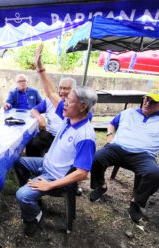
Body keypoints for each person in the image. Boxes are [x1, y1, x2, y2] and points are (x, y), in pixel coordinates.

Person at [14, 44, 98, 236]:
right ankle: (32, 195)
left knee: (21, 195)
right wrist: (40, 68)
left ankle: (33, 215)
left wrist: (49, 185)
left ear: (83, 107)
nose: (64, 101)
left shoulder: (86, 135)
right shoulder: (70, 117)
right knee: (17, 161)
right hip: (46, 163)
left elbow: (82, 173)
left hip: (56, 175)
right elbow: (51, 94)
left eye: (69, 100)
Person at [89, 89, 159, 223]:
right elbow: (112, 123)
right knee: (96, 158)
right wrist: (110, 136)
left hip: (144, 155)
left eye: (153, 102)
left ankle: (136, 202)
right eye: (146, 100)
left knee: (155, 175)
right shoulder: (129, 112)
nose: (147, 103)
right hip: (118, 147)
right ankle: (101, 186)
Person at [26, 77, 75, 157]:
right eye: (60, 88)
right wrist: (40, 118)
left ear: (74, 90)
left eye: (66, 89)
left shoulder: (76, 104)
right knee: (33, 142)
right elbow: (33, 110)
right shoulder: (50, 100)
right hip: (50, 134)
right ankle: (34, 164)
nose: (61, 91)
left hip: (67, 138)